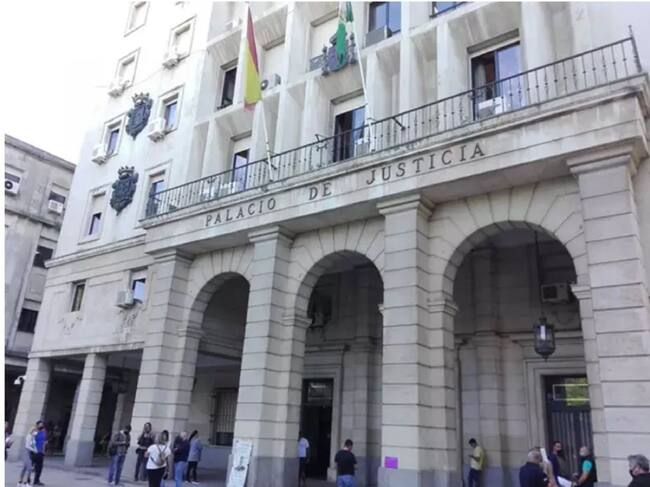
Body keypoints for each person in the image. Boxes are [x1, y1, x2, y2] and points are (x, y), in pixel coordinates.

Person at [32, 420, 47, 486]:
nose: (41, 426)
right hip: (34, 452)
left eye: (42, 424)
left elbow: (44, 442)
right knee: (30, 467)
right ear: (37, 425)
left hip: (40, 453)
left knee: (39, 468)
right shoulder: (34, 432)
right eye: (40, 424)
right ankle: (27, 480)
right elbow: (32, 441)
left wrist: (44, 451)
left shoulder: (44, 432)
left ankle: (36, 480)